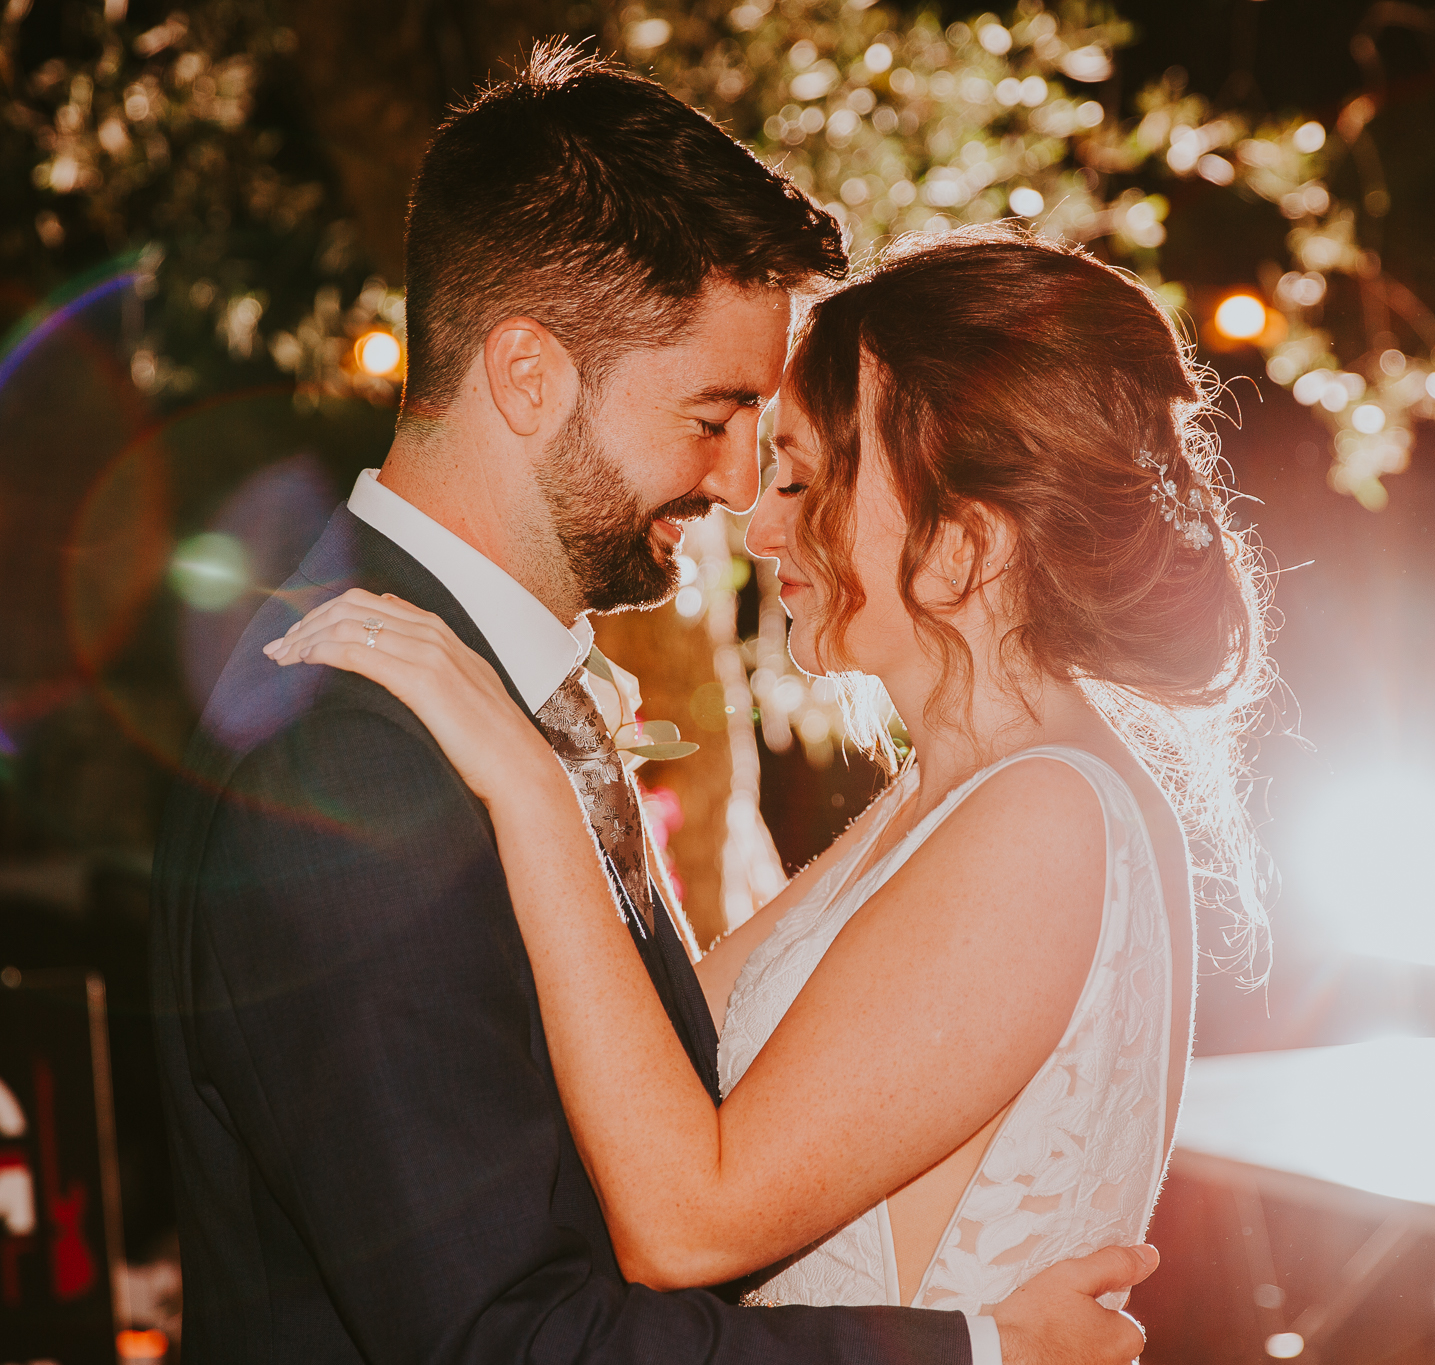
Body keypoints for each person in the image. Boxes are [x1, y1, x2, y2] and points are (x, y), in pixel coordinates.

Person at [149, 47, 1156, 1364]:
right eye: (718, 410)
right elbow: (508, 1340)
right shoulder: (352, 761)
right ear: (528, 377)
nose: (747, 484)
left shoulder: (499, 696)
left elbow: (667, 1098)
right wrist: (974, 1350)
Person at [267, 225, 1273, 1314]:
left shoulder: (1043, 822)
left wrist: (529, 781)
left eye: (803, 479)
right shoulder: (952, 801)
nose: (759, 526)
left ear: (964, 542)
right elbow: (651, 1060)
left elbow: (683, 1221)